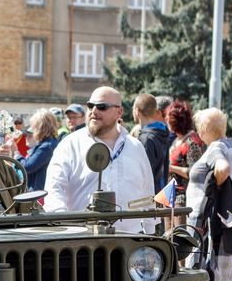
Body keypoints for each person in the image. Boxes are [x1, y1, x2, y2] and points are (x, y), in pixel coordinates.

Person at [44, 86, 157, 234]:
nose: (94, 111)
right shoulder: (69, 145)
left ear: (119, 112)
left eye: (102, 107)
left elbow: (147, 194)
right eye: (90, 105)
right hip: (79, 244)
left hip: (129, 244)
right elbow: (54, 189)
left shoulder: (135, 147)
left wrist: (149, 233)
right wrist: (64, 228)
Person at [188, 108, 232, 281]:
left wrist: (216, 186)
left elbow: (223, 168)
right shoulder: (230, 144)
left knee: (202, 262)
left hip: (205, 218)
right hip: (223, 215)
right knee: (226, 261)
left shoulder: (215, 148)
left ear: (203, 130)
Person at [166, 100, 205, 224]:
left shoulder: (191, 142)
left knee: (179, 237)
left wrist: (171, 168)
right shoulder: (177, 139)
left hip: (182, 198)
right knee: (168, 238)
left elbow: (194, 172)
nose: (166, 120)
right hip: (169, 195)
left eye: (168, 117)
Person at [133, 93, 172, 189]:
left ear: (137, 111)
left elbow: (144, 173)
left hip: (149, 195)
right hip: (161, 192)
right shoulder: (162, 132)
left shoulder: (146, 139)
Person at [19, 109, 59, 191]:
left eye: (33, 126)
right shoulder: (48, 143)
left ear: (41, 127)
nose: (32, 129)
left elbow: (27, 167)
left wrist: (16, 154)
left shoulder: (47, 146)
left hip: (40, 194)